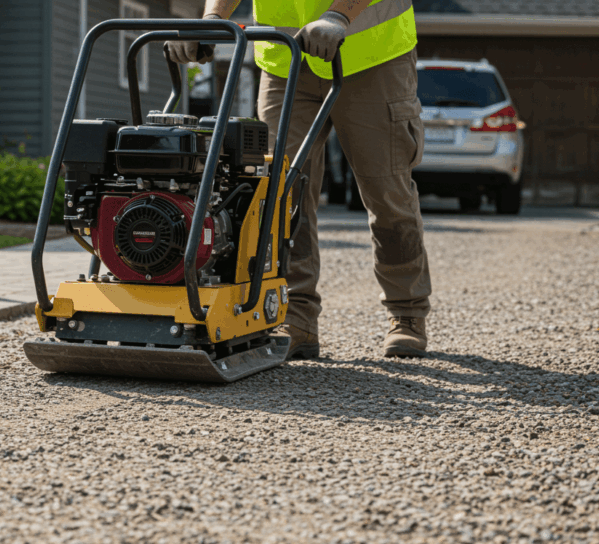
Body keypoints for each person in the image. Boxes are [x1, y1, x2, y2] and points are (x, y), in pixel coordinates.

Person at [166, 0, 431, 359]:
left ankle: (407, 312)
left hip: (372, 57)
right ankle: (295, 315)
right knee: (280, 196)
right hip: (287, 59)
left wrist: (339, 14)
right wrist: (213, 18)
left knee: (387, 193)